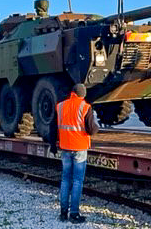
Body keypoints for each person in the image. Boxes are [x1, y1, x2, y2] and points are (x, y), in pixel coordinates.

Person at [50, 83, 99, 223]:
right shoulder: (85, 107)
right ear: (83, 95)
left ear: (72, 93)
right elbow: (91, 129)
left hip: (65, 148)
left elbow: (53, 128)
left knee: (65, 179)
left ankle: (63, 213)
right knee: (77, 181)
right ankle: (74, 214)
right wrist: (97, 128)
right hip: (79, 149)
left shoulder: (60, 106)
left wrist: (52, 145)